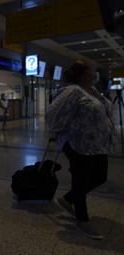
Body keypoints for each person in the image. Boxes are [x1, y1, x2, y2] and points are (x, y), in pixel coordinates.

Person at [45, 61, 115, 240]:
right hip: (79, 145)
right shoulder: (73, 91)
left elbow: (107, 110)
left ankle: (68, 199)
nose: (96, 72)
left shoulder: (93, 90)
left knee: (100, 177)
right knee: (81, 180)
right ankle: (82, 220)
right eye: (93, 70)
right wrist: (64, 132)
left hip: (97, 145)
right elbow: (53, 114)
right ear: (85, 73)